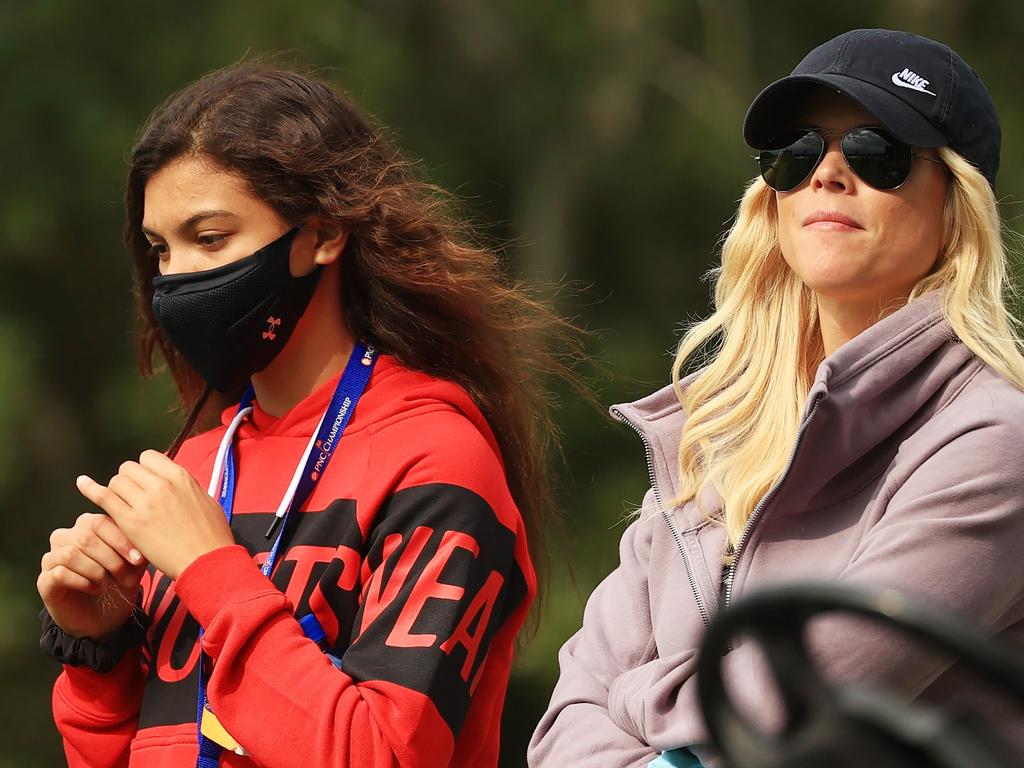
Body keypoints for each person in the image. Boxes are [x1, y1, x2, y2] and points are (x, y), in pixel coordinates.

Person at [36, 63, 580, 768]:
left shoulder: (436, 459)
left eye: (212, 237)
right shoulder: (195, 469)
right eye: (162, 249)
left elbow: (382, 754)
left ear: (322, 235)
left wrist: (209, 570)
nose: (176, 281)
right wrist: (98, 653)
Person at [529, 28, 1024, 767]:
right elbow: (565, 719)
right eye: (795, 152)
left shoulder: (993, 441)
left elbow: (782, 708)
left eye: (875, 151)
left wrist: (635, 701)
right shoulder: (711, 436)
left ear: (958, 206)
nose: (826, 174)